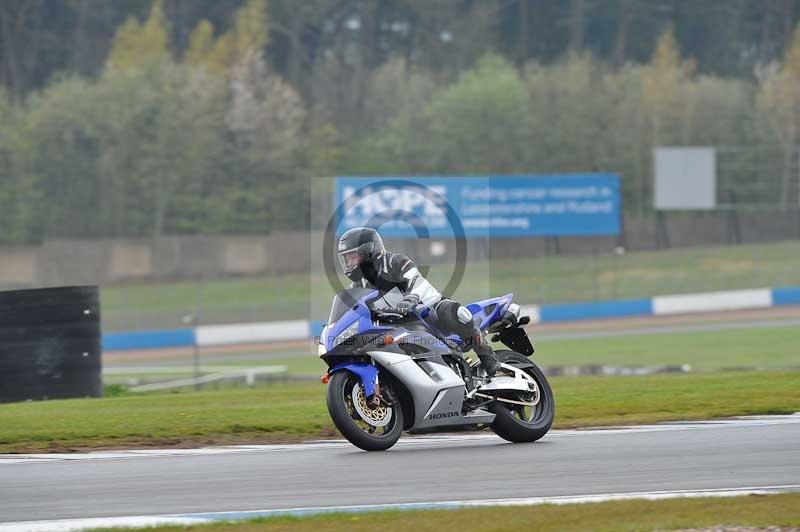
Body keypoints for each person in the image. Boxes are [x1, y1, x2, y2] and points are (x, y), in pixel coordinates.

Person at [337, 226, 501, 377]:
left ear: (369, 252)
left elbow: (417, 282)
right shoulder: (359, 284)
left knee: (456, 313)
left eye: (353, 257)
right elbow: (355, 307)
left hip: (428, 310)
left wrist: (411, 299)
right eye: (347, 259)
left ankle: (489, 359)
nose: (350, 263)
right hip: (398, 323)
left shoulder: (396, 262)